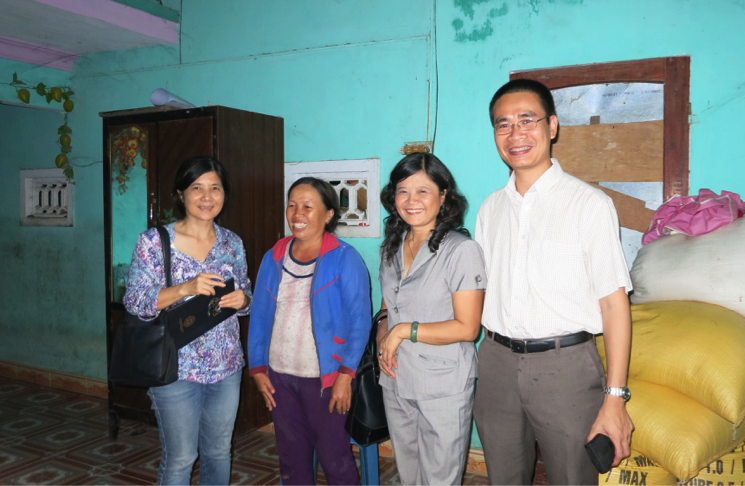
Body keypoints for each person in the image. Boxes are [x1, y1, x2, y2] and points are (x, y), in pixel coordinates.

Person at [473, 79, 634, 486]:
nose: (515, 134)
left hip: (566, 369)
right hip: (495, 362)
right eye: (503, 124)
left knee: (571, 478)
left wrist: (615, 400)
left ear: (553, 126)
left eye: (527, 120)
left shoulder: (590, 205)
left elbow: (615, 306)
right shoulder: (490, 209)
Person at [124, 156, 252, 486]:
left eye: (215, 188)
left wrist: (244, 300)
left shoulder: (232, 243)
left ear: (225, 194)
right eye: (197, 188)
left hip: (226, 366)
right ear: (181, 194)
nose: (207, 197)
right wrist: (185, 288)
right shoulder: (154, 242)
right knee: (181, 457)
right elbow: (136, 300)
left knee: (219, 452)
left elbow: (246, 294)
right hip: (174, 366)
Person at [248, 177, 371, 486]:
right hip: (280, 376)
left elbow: (360, 322)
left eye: (307, 207)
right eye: (292, 206)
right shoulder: (273, 257)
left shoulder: (345, 258)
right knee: (291, 458)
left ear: (328, 214)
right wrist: (258, 368)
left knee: (335, 458)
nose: (297, 214)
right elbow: (260, 316)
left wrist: (346, 375)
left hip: (326, 378)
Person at [375, 153, 486, 486]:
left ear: (443, 196)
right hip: (396, 377)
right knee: (409, 473)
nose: (412, 200)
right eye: (403, 191)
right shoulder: (391, 246)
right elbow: (389, 303)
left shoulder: (461, 251)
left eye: (423, 191)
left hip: (443, 382)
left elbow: (468, 328)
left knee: (439, 477)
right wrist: (384, 331)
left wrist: (402, 332)